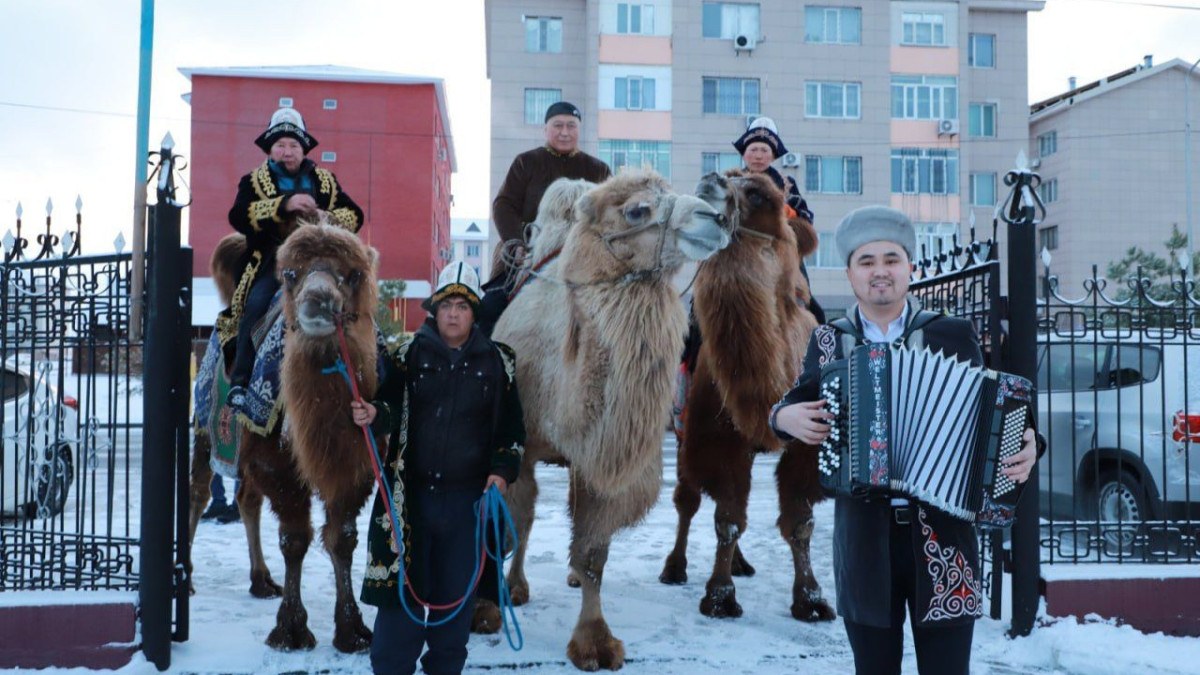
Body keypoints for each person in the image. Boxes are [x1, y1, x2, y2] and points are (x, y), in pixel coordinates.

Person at [769, 206, 1042, 675]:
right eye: (867, 261)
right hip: (863, 543)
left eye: (891, 260)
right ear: (851, 274)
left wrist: (1031, 439)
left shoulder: (950, 333)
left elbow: (994, 408)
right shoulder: (830, 341)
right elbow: (793, 403)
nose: (880, 272)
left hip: (945, 540)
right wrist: (784, 416)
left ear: (909, 268)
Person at [354, 261, 525, 675]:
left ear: (474, 312)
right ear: (434, 308)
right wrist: (375, 413)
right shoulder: (406, 354)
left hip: (468, 504)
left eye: (462, 306)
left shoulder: (500, 363)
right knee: (401, 607)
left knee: (454, 611)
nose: (453, 313)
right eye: (446, 304)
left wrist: (502, 472)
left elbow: (512, 428)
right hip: (410, 502)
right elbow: (391, 407)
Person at [223, 107, 364, 409]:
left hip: (320, 259)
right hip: (272, 260)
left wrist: (329, 216)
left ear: (303, 149)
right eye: (281, 145)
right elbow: (239, 216)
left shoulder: (325, 181)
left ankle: (364, 375)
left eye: (293, 145)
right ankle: (241, 381)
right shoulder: (253, 182)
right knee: (256, 306)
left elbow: (355, 215)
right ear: (270, 149)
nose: (287, 151)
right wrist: (284, 205)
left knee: (358, 306)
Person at [732, 115, 824, 323]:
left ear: (773, 156)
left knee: (814, 314)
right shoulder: (731, 182)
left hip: (781, 255)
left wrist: (787, 215)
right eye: (753, 150)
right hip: (737, 256)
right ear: (744, 154)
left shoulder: (787, 184)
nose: (758, 156)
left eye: (764, 151)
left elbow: (806, 221)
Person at [492, 101, 611, 244]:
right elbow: (504, 205)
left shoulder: (598, 169)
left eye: (571, 126)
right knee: (503, 263)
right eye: (558, 125)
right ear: (546, 130)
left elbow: (612, 208)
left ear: (579, 130)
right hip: (529, 245)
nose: (565, 132)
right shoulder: (526, 162)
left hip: (583, 248)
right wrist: (515, 243)